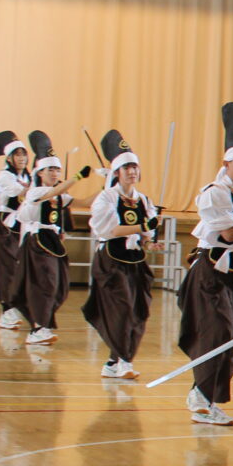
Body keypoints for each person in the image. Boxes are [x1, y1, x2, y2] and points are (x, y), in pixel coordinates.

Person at [179, 103, 233, 426]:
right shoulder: (214, 193)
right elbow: (230, 233)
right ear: (226, 163)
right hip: (210, 273)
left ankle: (206, 396)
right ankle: (199, 393)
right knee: (219, 330)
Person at [82, 130, 160, 379]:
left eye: (135, 167)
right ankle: (125, 360)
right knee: (122, 309)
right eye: (126, 167)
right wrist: (143, 228)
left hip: (135, 262)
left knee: (139, 311)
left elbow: (146, 236)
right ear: (116, 172)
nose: (132, 171)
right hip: (111, 262)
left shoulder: (143, 200)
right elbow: (112, 230)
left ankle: (113, 362)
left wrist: (150, 243)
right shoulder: (106, 198)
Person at [16, 131, 94, 346]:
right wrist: (76, 177)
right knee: (45, 283)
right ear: (40, 172)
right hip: (37, 242)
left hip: (53, 242)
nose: (54, 172)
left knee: (59, 287)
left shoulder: (60, 194)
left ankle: (42, 323)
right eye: (50, 169)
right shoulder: (35, 191)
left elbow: (85, 201)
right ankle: (38, 328)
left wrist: (109, 186)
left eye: (57, 169)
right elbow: (52, 193)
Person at [0, 131, 31, 331]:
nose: (22, 158)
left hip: (20, 226)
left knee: (19, 267)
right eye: (17, 155)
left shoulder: (27, 175)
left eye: (24, 154)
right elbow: (23, 193)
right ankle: (8, 310)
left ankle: (12, 308)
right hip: (4, 226)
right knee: (7, 269)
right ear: (9, 158)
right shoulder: (5, 175)